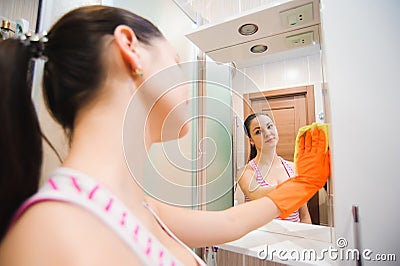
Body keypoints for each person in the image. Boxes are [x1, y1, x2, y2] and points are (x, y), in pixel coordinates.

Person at [0, 5, 329, 265]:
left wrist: (304, 183)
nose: (190, 83)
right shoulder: (50, 234)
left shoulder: (137, 204)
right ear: (130, 47)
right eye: (176, 62)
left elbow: (231, 224)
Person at [239, 113, 312, 223]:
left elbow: (305, 216)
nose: (267, 133)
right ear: (251, 140)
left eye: (269, 126)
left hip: (294, 237)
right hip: (262, 238)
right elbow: (256, 194)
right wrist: (294, 185)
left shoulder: (294, 168)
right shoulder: (246, 172)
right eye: (258, 131)